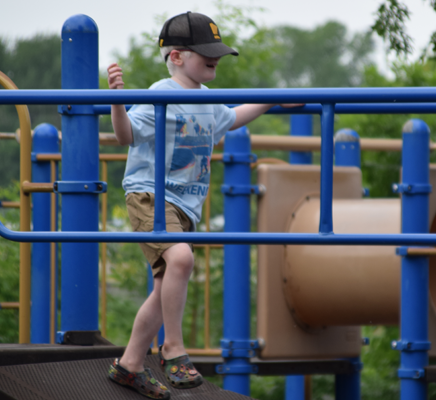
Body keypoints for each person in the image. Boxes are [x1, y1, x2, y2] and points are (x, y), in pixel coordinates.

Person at [104, 12, 299, 399]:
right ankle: (173, 349)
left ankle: (129, 365)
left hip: (184, 206)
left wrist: (270, 100)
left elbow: (231, 119)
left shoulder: (207, 100)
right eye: (206, 53)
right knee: (181, 260)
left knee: (165, 288)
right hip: (151, 195)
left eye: (217, 52)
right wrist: (117, 103)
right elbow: (126, 135)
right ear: (176, 57)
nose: (215, 58)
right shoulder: (161, 93)